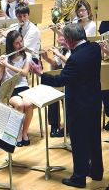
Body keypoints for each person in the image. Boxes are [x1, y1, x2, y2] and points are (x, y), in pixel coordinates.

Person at [30, 23, 103, 188]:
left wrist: (41, 73)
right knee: (93, 138)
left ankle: (79, 178)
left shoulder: (75, 59)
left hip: (79, 107)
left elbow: (59, 80)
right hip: (93, 102)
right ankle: (97, 171)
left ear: (70, 40)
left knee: (78, 142)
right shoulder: (94, 48)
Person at [0, 30, 34, 147]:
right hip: (9, 88)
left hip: (23, 86)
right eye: (17, 43)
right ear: (11, 44)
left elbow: (24, 73)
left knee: (28, 104)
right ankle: (17, 134)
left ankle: (24, 132)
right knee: (19, 105)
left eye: (21, 41)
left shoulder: (27, 56)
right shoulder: (5, 57)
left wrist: (7, 65)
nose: (20, 45)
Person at [40, 35, 70, 137]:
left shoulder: (74, 50)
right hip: (63, 78)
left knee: (67, 98)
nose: (60, 42)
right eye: (59, 39)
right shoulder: (62, 50)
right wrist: (46, 58)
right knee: (52, 95)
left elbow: (71, 63)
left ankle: (68, 125)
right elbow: (56, 62)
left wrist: (58, 54)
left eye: (63, 40)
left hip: (72, 81)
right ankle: (54, 124)